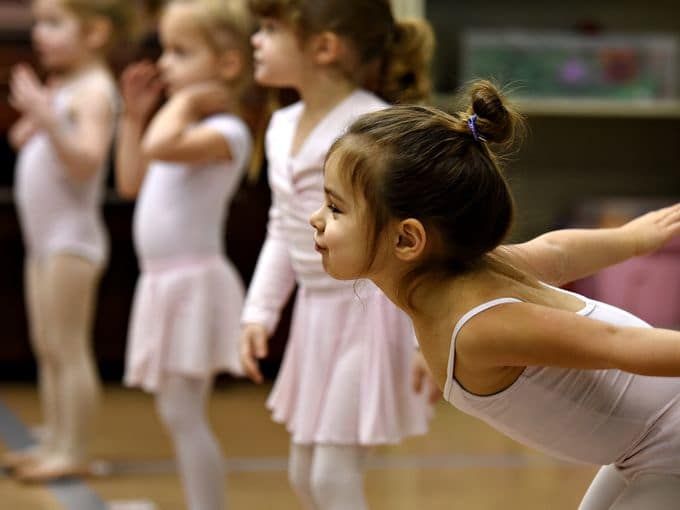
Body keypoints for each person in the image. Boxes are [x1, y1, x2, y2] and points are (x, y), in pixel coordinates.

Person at [310, 79, 680, 509]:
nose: (316, 219)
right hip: (643, 440)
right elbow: (555, 253)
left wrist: (634, 240)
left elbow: (618, 345)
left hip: (667, 438)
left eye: (335, 208)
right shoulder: (470, 276)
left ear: (408, 240)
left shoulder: (481, 326)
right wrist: (632, 239)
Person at [239, 1, 438, 508]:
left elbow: (418, 239)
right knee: (304, 472)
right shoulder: (282, 124)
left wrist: (425, 339)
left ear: (324, 47)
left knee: (332, 473)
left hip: (371, 314)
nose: (255, 40)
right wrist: (260, 311)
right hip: (317, 318)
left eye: (269, 29)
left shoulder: (373, 127)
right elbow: (282, 231)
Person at [115, 1, 255, 508]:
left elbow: (158, 146)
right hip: (164, 282)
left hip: (193, 284)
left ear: (228, 65)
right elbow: (131, 181)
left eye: (180, 52)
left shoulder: (227, 133)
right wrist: (133, 117)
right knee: (175, 411)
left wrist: (189, 103)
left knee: (184, 412)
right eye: (164, 49)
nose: (165, 63)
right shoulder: (177, 132)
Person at [7, 0, 135, 482]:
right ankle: (57, 437)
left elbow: (86, 161)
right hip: (45, 242)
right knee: (47, 344)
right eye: (39, 22)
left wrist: (49, 115)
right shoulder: (65, 85)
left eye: (54, 23)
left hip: (72, 242)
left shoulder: (96, 90)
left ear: (96, 31)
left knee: (68, 345)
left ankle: (74, 448)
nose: (40, 33)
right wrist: (40, 111)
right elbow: (23, 139)